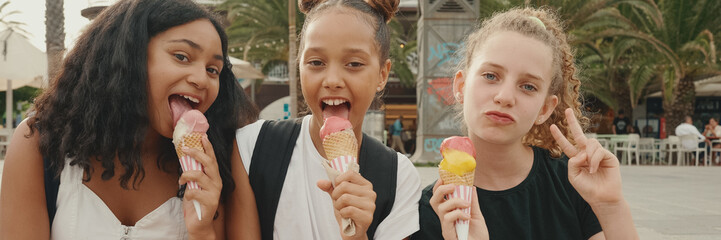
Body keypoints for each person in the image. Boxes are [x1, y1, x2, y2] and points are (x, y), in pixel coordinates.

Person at [0, 0, 260, 239]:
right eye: (181, 57)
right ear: (129, 57)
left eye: (212, 70)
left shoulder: (215, 162)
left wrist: (203, 232)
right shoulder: (40, 145)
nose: (201, 79)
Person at [412, 8, 638, 239]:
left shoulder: (574, 183)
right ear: (461, 87)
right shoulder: (435, 209)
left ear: (545, 109)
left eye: (528, 86)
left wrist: (611, 205)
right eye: (491, 76)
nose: (505, 97)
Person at [227, 0, 421, 239]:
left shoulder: (398, 176)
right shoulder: (251, 147)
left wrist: (357, 236)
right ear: (299, 66)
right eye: (316, 62)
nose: (332, 80)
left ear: (382, 74)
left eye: (354, 64)